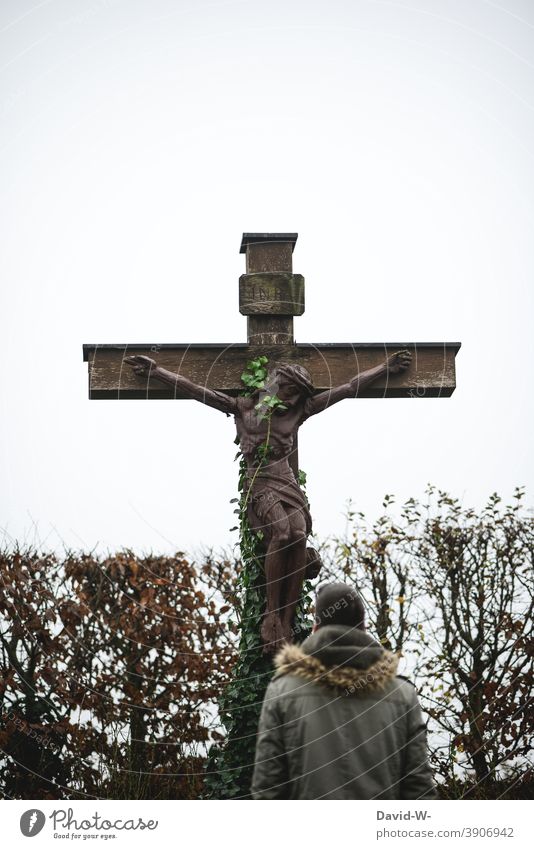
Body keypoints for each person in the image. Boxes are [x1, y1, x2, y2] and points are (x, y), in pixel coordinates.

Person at [251, 582, 437, 799]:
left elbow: (268, 790)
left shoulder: (282, 690)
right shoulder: (402, 695)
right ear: (363, 627)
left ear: (315, 629)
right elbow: (419, 791)